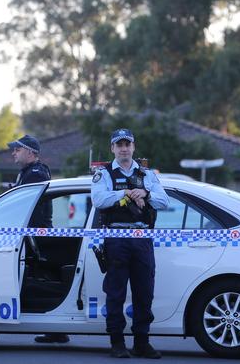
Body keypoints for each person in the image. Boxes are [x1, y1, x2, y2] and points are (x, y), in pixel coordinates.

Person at [91, 129, 169, 359]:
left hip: (142, 237)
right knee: (115, 292)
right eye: (119, 144)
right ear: (112, 148)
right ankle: (117, 342)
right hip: (116, 238)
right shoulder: (103, 173)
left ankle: (142, 343)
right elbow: (98, 199)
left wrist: (144, 193)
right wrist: (124, 192)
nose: (124, 148)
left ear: (134, 147)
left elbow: (163, 201)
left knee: (144, 291)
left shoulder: (147, 175)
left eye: (128, 144)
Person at [0, 135, 67, 344]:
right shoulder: (28, 173)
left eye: (17, 150)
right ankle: (55, 329)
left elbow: (22, 206)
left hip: (33, 235)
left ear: (31, 152)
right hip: (30, 235)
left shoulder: (36, 173)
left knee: (7, 276)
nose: (13, 153)